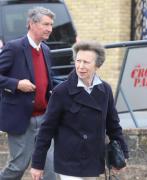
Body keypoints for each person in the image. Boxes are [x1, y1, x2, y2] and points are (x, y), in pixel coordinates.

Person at [30, 40, 129, 180]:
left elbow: (113, 126)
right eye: (78, 61)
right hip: (68, 161)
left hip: (93, 160)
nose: (80, 66)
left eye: (86, 62)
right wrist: (37, 164)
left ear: (97, 65)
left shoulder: (105, 90)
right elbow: (46, 130)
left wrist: (122, 154)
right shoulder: (61, 91)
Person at [0, 7, 57, 180]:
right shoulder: (14, 48)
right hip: (22, 119)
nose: (50, 29)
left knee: (50, 169)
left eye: (51, 25)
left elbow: (49, 82)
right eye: (46, 24)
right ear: (32, 24)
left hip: (45, 118)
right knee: (17, 167)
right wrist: (16, 84)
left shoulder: (46, 50)